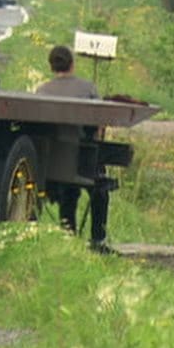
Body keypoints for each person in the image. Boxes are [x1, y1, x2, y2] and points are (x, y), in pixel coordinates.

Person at [35, 45, 112, 253]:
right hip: (81, 158)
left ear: (51, 66)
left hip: (52, 161)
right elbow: (100, 122)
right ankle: (98, 238)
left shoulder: (42, 91)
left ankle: (68, 233)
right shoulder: (88, 89)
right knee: (100, 189)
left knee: (67, 191)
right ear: (72, 64)